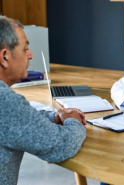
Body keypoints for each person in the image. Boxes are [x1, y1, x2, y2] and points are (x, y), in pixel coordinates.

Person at [0, 16, 87, 185]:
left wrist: (52, 117)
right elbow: (60, 146)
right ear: (4, 57)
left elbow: (17, 119)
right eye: (25, 48)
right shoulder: (5, 102)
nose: (30, 55)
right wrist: (73, 121)